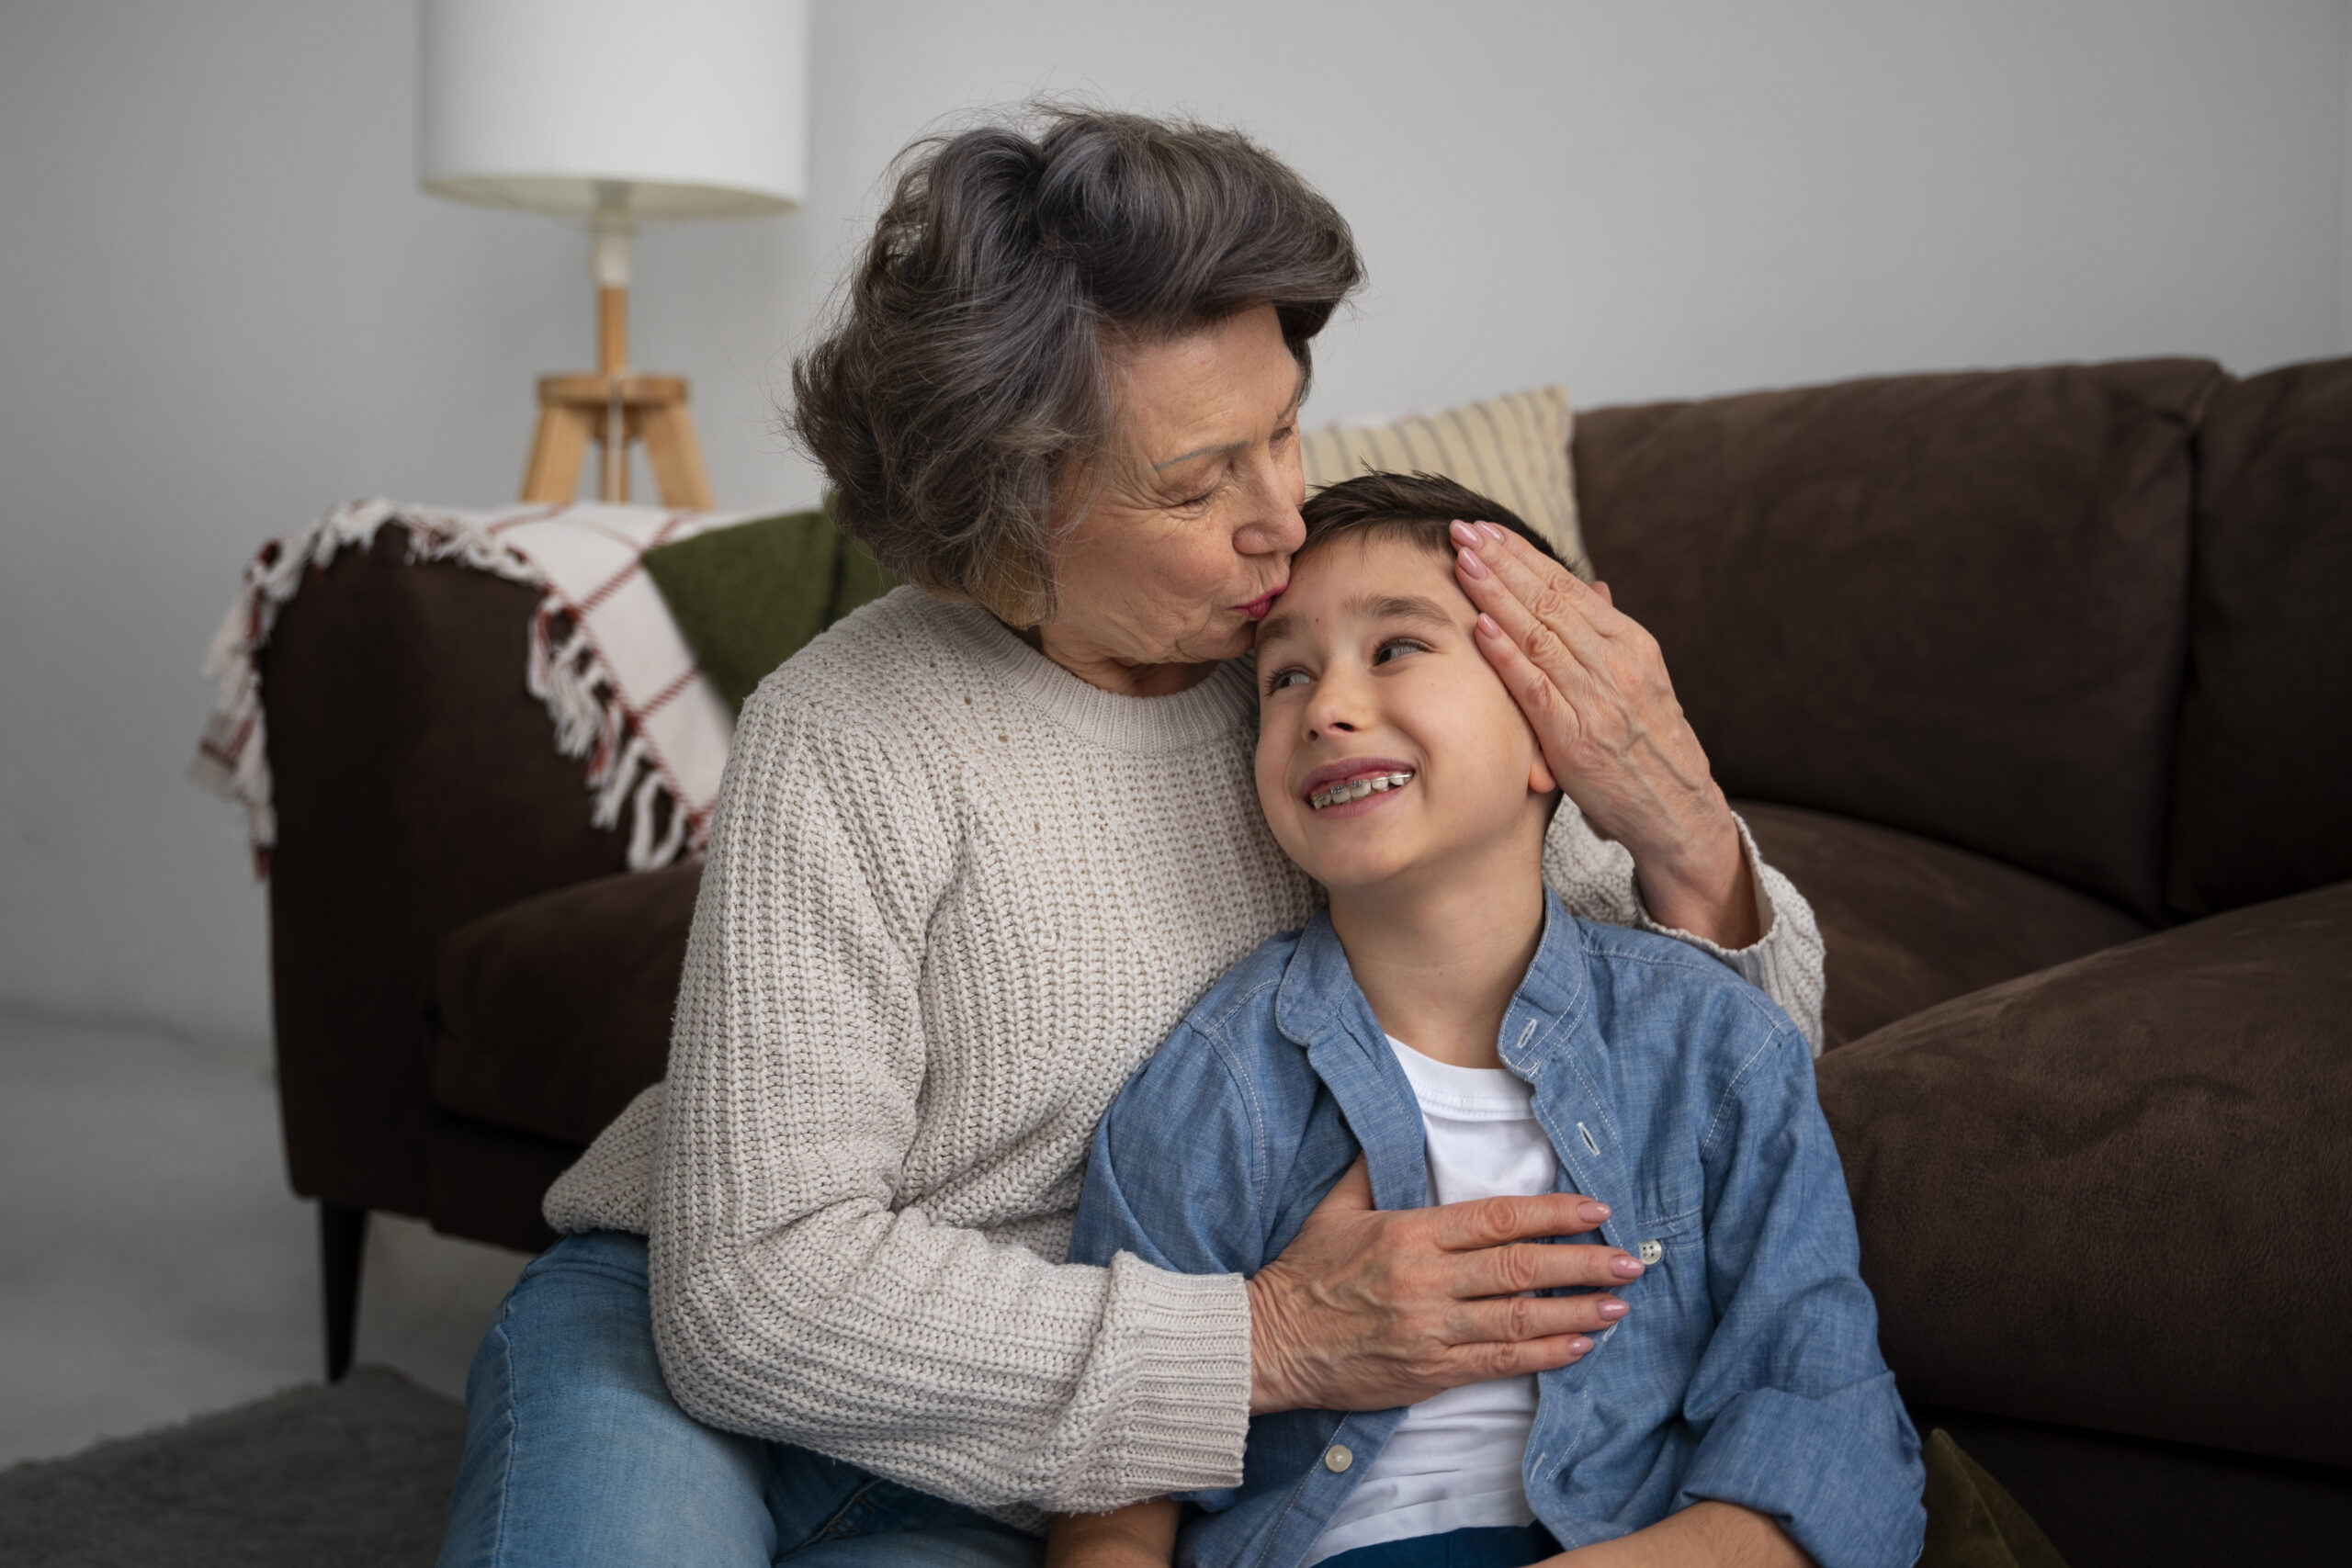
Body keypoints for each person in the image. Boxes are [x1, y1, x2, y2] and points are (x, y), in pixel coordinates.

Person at [437, 107, 1827, 1568]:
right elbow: (751, 1300)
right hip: (691, 1351)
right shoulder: (846, 732)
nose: (1283, 521)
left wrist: (1675, 817)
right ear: (1008, 510)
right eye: (1194, 481)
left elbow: (1724, 1097)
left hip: (1078, 1472)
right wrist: (1269, 1335)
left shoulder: (1325, 688)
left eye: (1285, 427)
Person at [1052, 474, 1922, 1568]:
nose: (1326, 707)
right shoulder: (1215, 1081)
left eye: (1398, 647)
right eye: (1285, 676)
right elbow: (1113, 1487)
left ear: (1548, 735)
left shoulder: (1715, 1045)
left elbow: (1825, 1412)